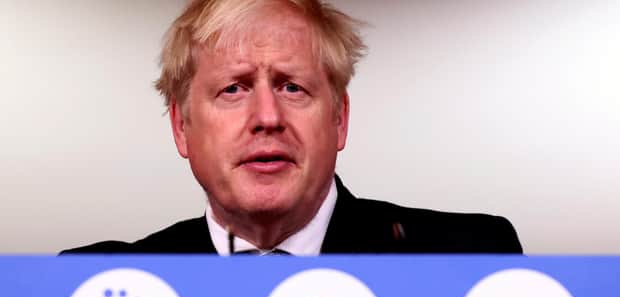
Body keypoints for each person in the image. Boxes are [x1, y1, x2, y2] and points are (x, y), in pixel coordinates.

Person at [63, 0, 522, 255]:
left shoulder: (466, 257)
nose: (267, 117)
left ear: (339, 119)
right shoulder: (100, 284)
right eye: (233, 89)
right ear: (181, 127)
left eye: (292, 88)